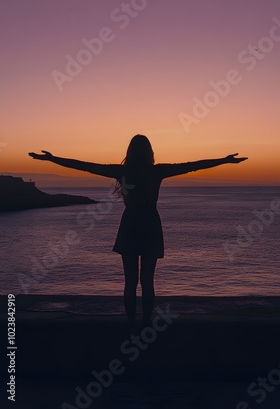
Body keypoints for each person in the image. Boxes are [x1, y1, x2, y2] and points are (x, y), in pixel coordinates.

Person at [29, 134, 247, 329]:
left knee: (130, 280)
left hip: (131, 225)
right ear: (150, 152)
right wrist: (225, 160)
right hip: (150, 225)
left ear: (129, 152)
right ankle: (145, 325)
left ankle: (131, 325)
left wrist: (52, 158)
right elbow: (194, 165)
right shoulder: (157, 171)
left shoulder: (122, 171)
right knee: (148, 280)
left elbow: (84, 166)